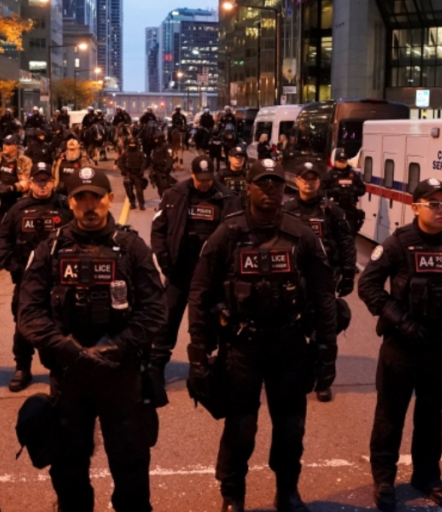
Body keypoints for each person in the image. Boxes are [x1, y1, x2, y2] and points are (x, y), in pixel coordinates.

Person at [187, 158, 337, 512]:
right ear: (248, 188)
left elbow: (322, 293)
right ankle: (232, 494)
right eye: (262, 183)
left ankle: (287, 491)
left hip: (289, 346)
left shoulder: (301, 234)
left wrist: (327, 347)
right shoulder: (228, 233)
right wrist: (198, 349)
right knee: (241, 428)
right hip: (242, 347)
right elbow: (200, 292)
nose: (270, 190)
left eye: (276, 184)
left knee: (290, 428)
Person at [18, 166, 167, 512]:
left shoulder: (132, 248)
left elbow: (155, 310)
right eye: (80, 198)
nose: (89, 206)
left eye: (96, 198)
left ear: (110, 200)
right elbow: (28, 312)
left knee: (130, 465)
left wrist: (118, 346)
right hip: (69, 377)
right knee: (69, 469)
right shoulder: (49, 250)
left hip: (120, 374)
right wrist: (66, 348)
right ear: (69, 202)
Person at [358, 178, 442, 511]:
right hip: (401, 347)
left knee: (431, 418)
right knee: (389, 417)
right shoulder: (399, 243)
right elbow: (368, 285)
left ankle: (427, 477)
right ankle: (384, 478)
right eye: (434, 204)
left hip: (439, 348)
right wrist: (401, 320)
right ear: (415, 207)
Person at [149, 156, 240, 388]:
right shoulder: (174, 195)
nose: (205, 184)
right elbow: (158, 230)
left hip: (212, 274)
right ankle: (156, 366)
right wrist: (164, 260)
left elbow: (237, 236)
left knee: (208, 322)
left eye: (209, 179)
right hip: (180, 271)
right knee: (166, 319)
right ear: (192, 175)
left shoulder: (228, 198)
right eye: (200, 180)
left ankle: (204, 367)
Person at [281, 161, 357, 403]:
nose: (309, 182)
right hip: (292, 280)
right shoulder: (287, 210)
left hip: (324, 280)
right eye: (304, 178)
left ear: (319, 182)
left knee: (325, 334)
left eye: (313, 178)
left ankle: (323, 383)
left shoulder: (331, 211)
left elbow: (346, 242)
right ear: (298, 181)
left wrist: (347, 273)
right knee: (288, 331)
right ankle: (292, 376)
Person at [0, 162, 73, 393]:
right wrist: (14, 268)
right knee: (23, 324)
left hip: (58, 279)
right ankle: (22, 367)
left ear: (53, 182)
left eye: (46, 180)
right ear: (30, 183)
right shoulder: (17, 210)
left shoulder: (64, 208)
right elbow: (3, 242)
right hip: (26, 279)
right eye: (38, 180)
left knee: (60, 323)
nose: (42, 185)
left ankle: (59, 369)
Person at [0, 135, 33, 271]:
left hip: (16, 198)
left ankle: (18, 256)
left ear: (15, 146)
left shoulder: (25, 160)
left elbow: (28, 180)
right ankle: (1, 258)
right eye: (4, 144)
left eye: (8, 144)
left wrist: (12, 188)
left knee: (17, 228)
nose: (4, 146)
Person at [323, 149, 366, 233]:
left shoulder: (352, 175)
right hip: (334, 210)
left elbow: (362, 189)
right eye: (340, 161)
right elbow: (321, 190)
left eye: (344, 161)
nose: (342, 163)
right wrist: (333, 191)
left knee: (350, 233)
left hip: (350, 210)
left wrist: (354, 190)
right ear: (335, 162)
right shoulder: (330, 175)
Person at [116, 139, 148, 210]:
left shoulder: (140, 153)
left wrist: (141, 171)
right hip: (128, 174)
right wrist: (123, 170)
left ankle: (141, 204)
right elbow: (120, 163)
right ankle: (132, 203)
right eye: (131, 144)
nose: (132, 145)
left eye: (134, 144)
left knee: (139, 191)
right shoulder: (125, 154)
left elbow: (144, 162)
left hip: (137, 174)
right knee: (129, 191)